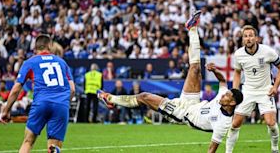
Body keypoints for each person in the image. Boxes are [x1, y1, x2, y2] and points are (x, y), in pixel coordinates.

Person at [98, 11, 243, 152]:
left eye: (226, 96)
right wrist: (215, 71)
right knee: (195, 69)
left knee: (144, 97)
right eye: (225, 94)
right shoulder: (223, 97)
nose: (222, 96)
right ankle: (192, 28)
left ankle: (110, 99)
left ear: (232, 103)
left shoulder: (223, 124)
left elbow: (212, 148)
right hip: (194, 103)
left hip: (182, 114)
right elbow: (223, 81)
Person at [0, 34, 75, 153]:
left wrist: (6, 110)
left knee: (28, 142)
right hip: (61, 105)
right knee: (53, 147)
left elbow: (16, 89)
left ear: (35, 47)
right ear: (50, 46)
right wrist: (63, 103)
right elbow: (72, 89)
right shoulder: (62, 62)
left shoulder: (30, 62)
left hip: (41, 104)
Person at [226, 25, 280, 153]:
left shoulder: (268, 52)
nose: (248, 39)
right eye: (245, 36)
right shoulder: (239, 54)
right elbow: (237, 73)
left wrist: (275, 87)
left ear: (256, 38)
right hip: (247, 91)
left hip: (265, 91)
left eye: (251, 36)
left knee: (270, 123)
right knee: (235, 124)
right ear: (242, 39)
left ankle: (275, 149)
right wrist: (235, 92)